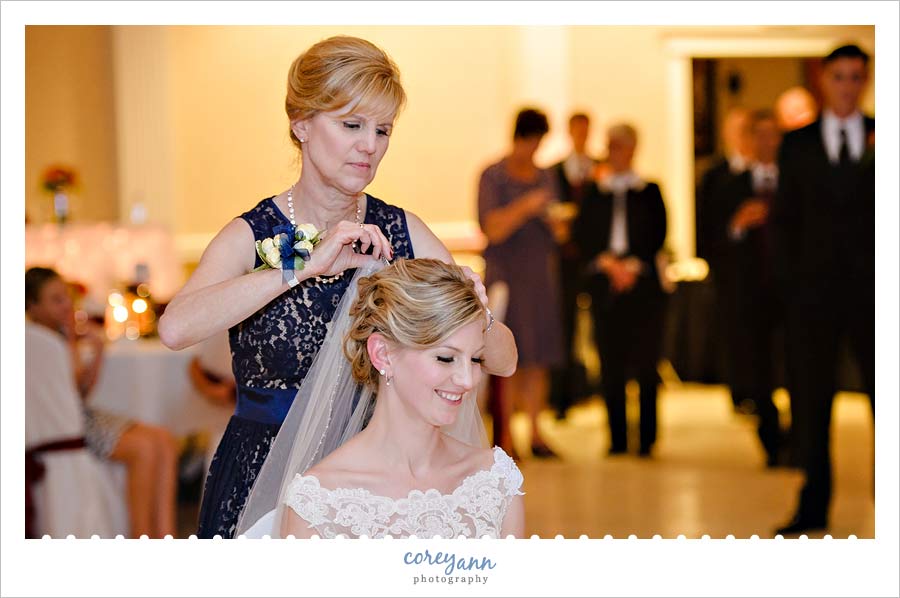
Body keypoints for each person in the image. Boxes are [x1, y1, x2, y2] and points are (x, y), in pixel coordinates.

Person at [157, 36, 517, 539]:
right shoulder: (252, 234)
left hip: (371, 486)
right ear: (301, 124)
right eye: (352, 125)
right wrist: (299, 268)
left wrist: (477, 315)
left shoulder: (403, 231)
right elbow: (175, 328)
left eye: (383, 130)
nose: (369, 146)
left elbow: (503, 360)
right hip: (262, 475)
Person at [236, 259, 525, 538]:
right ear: (382, 354)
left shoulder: (495, 480)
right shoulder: (319, 502)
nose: (467, 380)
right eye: (446, 358)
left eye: (475, 359)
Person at [772, 44, 874, 536]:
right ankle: (812, 506)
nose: (848, 86)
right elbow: (784, 221)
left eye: (857, 77)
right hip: (812, 298)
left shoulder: (883, 136)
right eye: (840, 77)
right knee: (812, 403)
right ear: (824, 80)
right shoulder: (797, 144)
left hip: (875, 295)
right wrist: (791, 288)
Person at [25, 267, 179, 538]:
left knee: (164, 441)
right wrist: (72, 340)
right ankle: (140, 535)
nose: (66, 305)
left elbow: (81, 392)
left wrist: (95, 354)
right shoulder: (38, 342)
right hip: (66, 427)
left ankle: (165, 534)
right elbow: (68, 390)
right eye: (56, 299)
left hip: (81, 414)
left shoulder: (58, 337)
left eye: (66, 297)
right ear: (33, 306)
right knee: (144, 448)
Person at [572, 123, 668, 457]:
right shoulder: (594, 192)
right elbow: (583, 237)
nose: (616, 152)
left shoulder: (650, 190)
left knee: (645, 363)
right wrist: (608, 265)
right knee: (610, 363)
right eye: (611, 146)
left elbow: (658, 234)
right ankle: (616, 437)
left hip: (642, 284)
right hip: (605, 284)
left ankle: (647, 438)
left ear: (633, 149)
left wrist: (632, 266)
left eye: (622, 146)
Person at [477, 107, 565, 460]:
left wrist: (556, 222)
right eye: (532, 141)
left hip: (539, 273)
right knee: (507, 353)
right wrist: (526, 206)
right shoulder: (493, 176)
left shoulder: (545, 176)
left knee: (539, 353)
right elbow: (492, 227)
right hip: (505, 275)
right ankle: (506, 436)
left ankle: (536, 431)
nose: (535, 150)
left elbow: (559, 230)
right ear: (520, 138)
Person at [712, 109, 787, 466]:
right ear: (750, 140)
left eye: (774, 135)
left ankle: (801, 442)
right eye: (760, 135)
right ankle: (772, 441)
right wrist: (737, 225)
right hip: (750, 294)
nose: (767, 143)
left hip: (792, 292)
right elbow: (714, 240)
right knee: (758, 372)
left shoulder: (795, 183)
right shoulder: (732, 186)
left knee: (798, 368)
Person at [548, 112, 600, 420]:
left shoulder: (600, 168)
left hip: (591, 258)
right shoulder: (555, 171)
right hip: (565, 261)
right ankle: (563, 399)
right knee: (563, 327)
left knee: (599, 329)